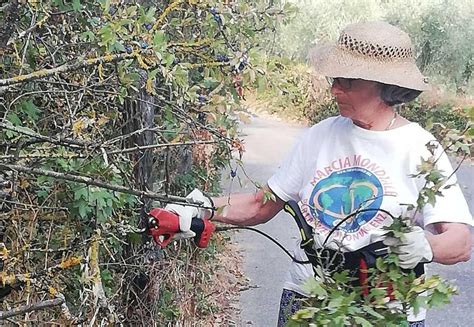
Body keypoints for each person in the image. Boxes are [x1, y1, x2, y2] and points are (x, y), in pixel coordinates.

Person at [165, 22, 473, 326]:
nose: (334, 88)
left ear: (384, 87)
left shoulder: (420, 148)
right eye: (335, 78)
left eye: (347, 81)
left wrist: (426, 247)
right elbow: (262, 205)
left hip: (385, 313)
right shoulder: (320, 136)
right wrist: (201, 207)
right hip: (308, 299)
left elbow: (460, 242)